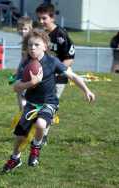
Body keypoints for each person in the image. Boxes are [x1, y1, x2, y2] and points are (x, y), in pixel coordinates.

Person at [2, 30, 95, 173]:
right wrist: (31, 83)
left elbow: (73, 76)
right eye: (30, 45)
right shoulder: (26, 64)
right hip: (32, 103)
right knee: (20, 135)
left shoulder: (53, 62)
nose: (32, 48)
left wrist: (86, 90)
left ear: (45, 46)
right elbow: (16, 87)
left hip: (49, 102)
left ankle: (36, 147)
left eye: (36, 45)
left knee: (41, 124)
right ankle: (15, 158)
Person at [35, 3, 75, 145]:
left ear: (53, 17)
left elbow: (69, 58)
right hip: (41, 77)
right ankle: (39, 132)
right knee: (38, 103)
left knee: (48, 106)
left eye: (44, 18)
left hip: (58, 79)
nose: (41, 22)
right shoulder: (40, 34)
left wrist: (55, 72)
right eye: (39, 18)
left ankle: (42, 137)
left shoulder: (61, 34)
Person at [15, 16, 33, 111]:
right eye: (21, 28)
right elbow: (23, 59)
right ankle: (23, 114)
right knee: (19, 92)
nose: (23, 31)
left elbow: (26, 58)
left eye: (25, 29)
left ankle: (25, 115)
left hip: (29, 72)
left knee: (22, 93)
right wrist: (17, 71)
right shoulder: (24, 41)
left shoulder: (31, 41)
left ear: (30, 29)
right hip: (23, 71)